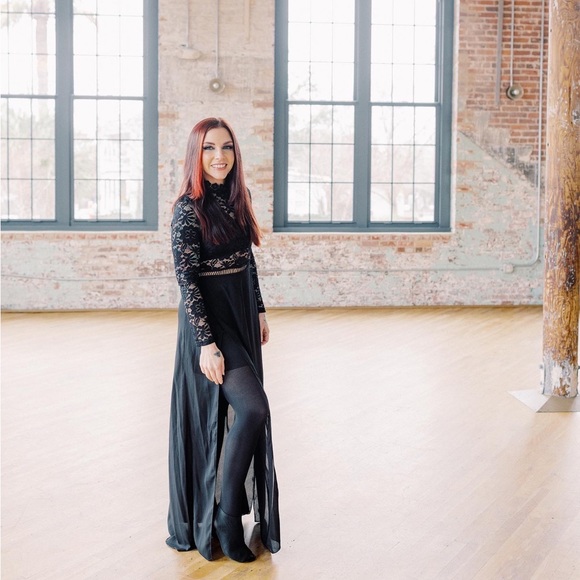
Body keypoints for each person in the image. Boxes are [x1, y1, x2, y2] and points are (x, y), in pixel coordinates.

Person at [166, 117, 281, 562]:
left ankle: (229, 511)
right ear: (196, 155)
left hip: (241, 312)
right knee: (253, 408)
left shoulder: (238, 197)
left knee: (250, 410)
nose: (220, 156)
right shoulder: (187, 209)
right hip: (211, 321)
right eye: (210, 148)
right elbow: (187, 280)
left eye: (227, 147)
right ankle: (226, 516)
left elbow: (247, 260)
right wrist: (205, 343)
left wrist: (259, 308)